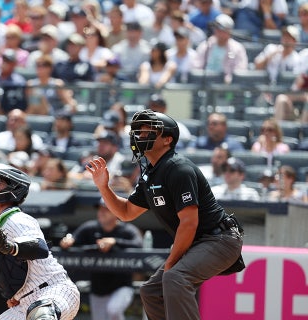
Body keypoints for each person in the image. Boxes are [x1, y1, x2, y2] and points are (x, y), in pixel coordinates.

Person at [87, 109, 244, 319]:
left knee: (174, 278)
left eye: (148, 132)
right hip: (201, 242)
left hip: (220, 239)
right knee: (151, 291)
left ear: (167, 139)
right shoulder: (150, 175)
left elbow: (189, 223)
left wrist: (171, 263)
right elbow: (125, 213)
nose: (140, 137)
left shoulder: (179, 168)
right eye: (139, 133)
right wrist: (103, 187)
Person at [0, 162, 80, 319]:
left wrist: (8, 246)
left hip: (54, 291)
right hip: (24, 303)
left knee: (41, 316)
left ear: (12, 190)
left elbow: (40, 248)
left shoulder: (16, 218)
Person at [59, 198, 143, 320]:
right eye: (100, 209)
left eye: (106, 210)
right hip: (98, 288)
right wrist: (68, 240)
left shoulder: (127, 230)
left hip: (122, 286)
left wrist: (114, 242)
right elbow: (72, 238)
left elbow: (139, 244)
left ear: (116, 212)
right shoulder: (90, 228)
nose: (101, 212)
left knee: (113, 310)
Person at [193, 14, 247, 84]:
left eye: (224, 30)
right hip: (205, 86)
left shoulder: (238, 48)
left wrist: (227, 81)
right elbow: (196, 68)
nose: (221, 32)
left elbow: (240, 70)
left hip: (228, 88)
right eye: (218, 29)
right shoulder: (205, 46)